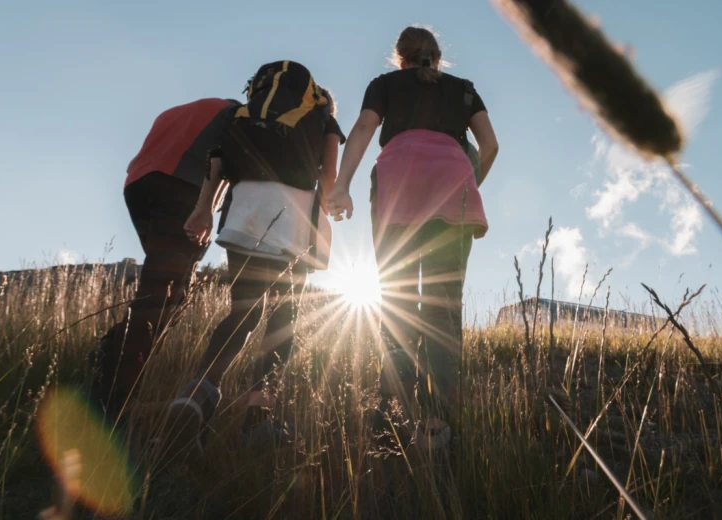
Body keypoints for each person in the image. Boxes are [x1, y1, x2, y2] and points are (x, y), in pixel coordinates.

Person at [326, 26, 499, 449]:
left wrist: (341, 185)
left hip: (397, 182)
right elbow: (490, 145)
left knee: (397, 300)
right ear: (437, 57)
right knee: (442, 308)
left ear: (399, 57)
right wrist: (466, 184)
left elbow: (365, 128)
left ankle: (390, 413)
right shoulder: (463, 89)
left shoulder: (385, 84)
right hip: (452, 186)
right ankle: (438, 424)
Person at [165, 62, 346, 453]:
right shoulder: (323, 118)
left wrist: (203, 211)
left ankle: (195, 395)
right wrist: (331, 201)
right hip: (292, 222)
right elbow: (328, 177)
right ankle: (257, 422)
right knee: (283, 318)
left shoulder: (239, 114)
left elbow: (218, 165)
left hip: (244, 212)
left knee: (243, 312)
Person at [90, 97, 240, 423]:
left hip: (139, 184)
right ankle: (111, 403)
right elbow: (224, 159)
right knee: (163, 299)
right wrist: (209, 209)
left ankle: (107, 357)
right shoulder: (237, 114)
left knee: (159, 291)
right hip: (182, 186)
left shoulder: (181, 111)